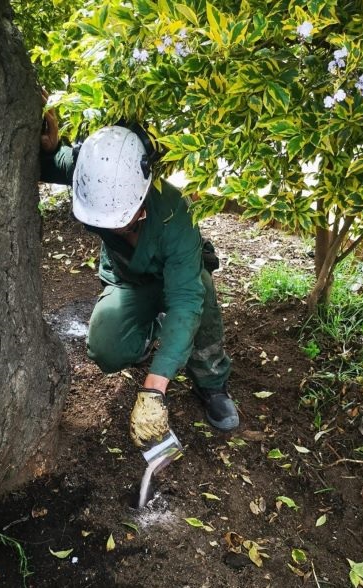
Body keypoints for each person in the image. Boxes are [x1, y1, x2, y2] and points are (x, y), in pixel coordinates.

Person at [39, 104, 238, 448]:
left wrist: (154, 387)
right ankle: (148, 335)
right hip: (128, 281)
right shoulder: (93, 173)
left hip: (176, 283)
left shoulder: (174, 216)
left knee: (199, 292)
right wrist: (49, 148)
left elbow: (185, 300)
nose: (116, 227)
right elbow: (51, 165)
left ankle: (211, 380)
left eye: (125, 219)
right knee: (106, 349)